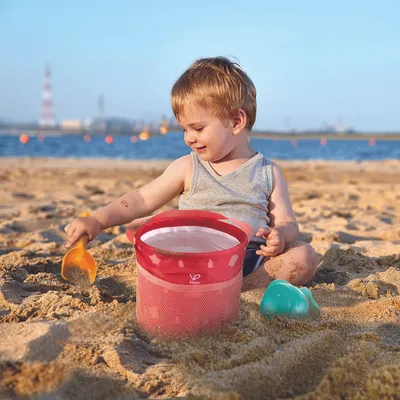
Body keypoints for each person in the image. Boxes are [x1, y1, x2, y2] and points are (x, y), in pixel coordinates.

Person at [64, 56, 318, 291]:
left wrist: (281, 236)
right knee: (155, 237)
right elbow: (141, 200)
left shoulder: (267, 172)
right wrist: (97, 220)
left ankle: (244, 291)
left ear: (236, 121)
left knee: (304, 256)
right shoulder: (188, 167)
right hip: (192, 261)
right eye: (185, 130)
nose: (189, 138)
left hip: (249, 263)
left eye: (197, 128)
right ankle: (209, 290)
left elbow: (287, 222)